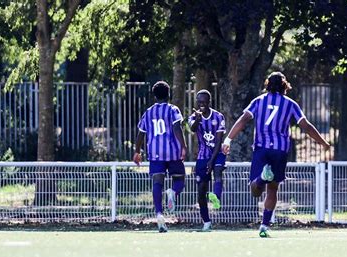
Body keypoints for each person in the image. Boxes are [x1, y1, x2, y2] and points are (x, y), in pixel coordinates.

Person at [222, 72, 330, 238]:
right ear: (284, 86)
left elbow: (243, 119)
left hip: (262, 148)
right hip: (280, 150)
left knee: (256, 190)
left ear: (267, 85)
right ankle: (264, 225)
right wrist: (323, 142)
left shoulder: (259, 101)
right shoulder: (290, 104)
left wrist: (228, 139)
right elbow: (306, 126)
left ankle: (261, 179)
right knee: (273, 188)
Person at [133, 81, 187, 233]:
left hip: (155, 153)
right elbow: (177, 127)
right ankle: (173, 193)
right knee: (179, 180)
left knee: (157, 182)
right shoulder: (173, 109)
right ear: (168, 94)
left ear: (154, 96)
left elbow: (141, 133)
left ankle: (159, 213)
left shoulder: (148, 112)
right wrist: (183, 146)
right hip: (173, 151)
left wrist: (137, 151)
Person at [188, 89, 226, 231]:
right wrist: (197, 120)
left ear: (209, 102)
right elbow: (192, 129)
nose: (201, 104)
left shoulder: (218, 116)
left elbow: (218, 141)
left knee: (217, 172)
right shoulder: (193, 117)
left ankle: (216, 197)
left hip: (217, 153)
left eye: (204, 101)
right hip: (203, 156)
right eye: (199, 102)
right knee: (201, 191)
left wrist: (212, 160)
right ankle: (207, 222)